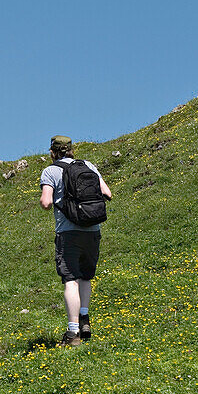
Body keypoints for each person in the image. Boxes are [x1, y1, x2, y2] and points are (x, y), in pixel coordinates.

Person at [39, 136, 112, 347]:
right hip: (92, 229)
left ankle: (73, 334)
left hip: (68, 233)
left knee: (70, 279)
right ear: (71, 150)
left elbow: (46, 203)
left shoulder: (50, 171)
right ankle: (85, 318)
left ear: (53, 151)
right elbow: (107, 193)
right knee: (86, 276)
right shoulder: (88, 166)